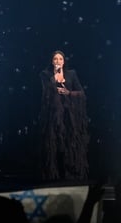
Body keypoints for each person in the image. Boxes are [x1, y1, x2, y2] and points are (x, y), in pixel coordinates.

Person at [37, 50, 89, 181]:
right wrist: (54, 77)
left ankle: (71, 173)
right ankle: (54, 174)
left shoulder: (71, 74)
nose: (58, 61)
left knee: (69, 143)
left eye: (60, 59)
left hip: (69, 115)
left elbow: (81, 93)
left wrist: (69, 93)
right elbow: (45, 93)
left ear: (64, 61)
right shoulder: (45, 74)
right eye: (55, 59)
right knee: (53, 144)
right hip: (53, 115)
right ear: (52, 61)